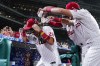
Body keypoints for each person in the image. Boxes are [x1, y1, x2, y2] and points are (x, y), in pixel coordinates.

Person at [39, 1, 100, 66]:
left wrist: (46, 9)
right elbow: (65, 22)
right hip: (85, 46)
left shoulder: (83, 13)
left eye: (68, 12)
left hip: (95, 43)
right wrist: (49, 20)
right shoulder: (74, 21)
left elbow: (61, 11)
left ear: (74, 10)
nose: (67, 14)